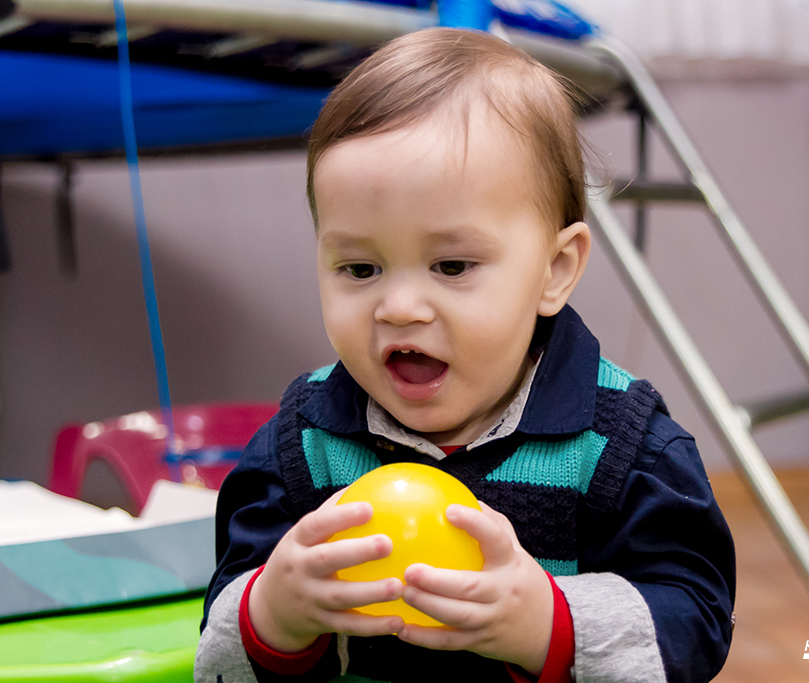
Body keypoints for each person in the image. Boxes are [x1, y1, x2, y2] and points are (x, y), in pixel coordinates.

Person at [195, 27, 735, 683]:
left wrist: (548, 623)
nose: (398, 307)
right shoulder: (299, 445)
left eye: (451, 265)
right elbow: (221, 640)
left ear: (554, 271)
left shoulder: (624, 446)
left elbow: (696, 620)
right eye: (360, 267)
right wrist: (273, 612)